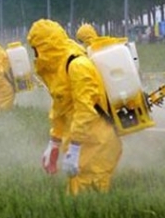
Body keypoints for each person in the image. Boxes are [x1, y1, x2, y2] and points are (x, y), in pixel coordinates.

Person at [27, 19, 122, 195]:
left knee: (88, 199)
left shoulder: (77, 66)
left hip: (97, 143)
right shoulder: (59, 68)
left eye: (35, 48)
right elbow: (60, 106)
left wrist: (75, 147)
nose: (34, 54)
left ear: (46, 46)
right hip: (84, 141)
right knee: (77, 195)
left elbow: (86, 110)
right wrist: (54, 142)